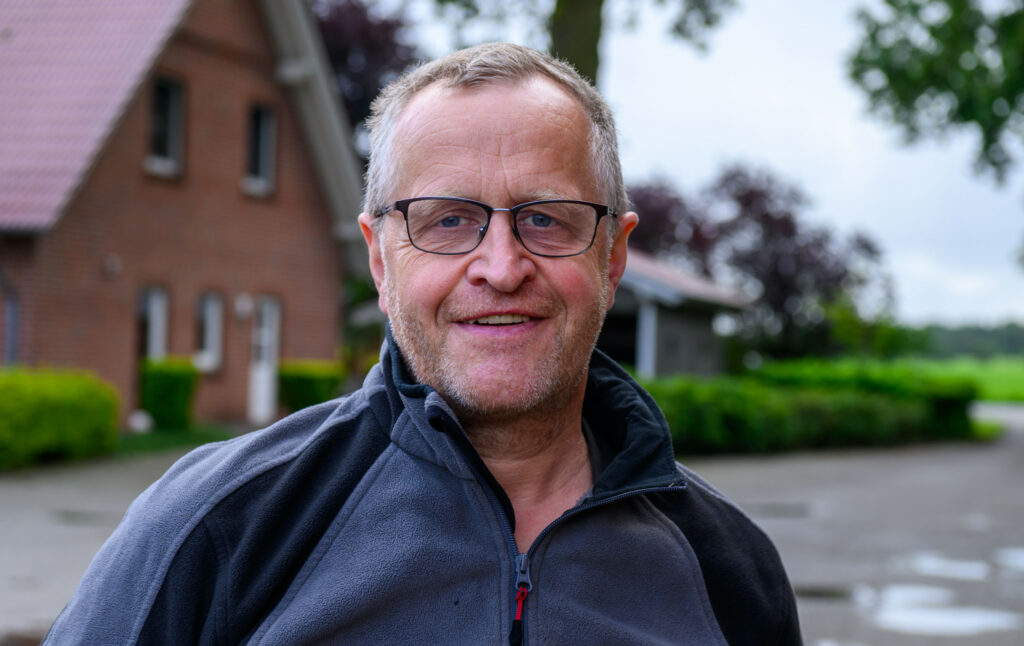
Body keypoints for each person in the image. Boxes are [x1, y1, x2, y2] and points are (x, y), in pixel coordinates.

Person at [45, 42, 802, 645]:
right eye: (446, 220)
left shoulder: (732, 574)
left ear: (611, 255)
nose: (502, 269)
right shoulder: (216, 528)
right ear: (380, 258)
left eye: (546, 217)